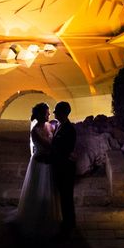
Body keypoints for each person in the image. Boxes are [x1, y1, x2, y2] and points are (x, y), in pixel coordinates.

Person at [7, 102, 62, 238]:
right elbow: (47, 146)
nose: (49, 114)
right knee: (38, 189)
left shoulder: (51, 126)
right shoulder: (35, 131)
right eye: (47, 112)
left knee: (49, 190)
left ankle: (49, 215)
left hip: (49, 162)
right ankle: (37, 218)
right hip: (40, 163)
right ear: (40, 114)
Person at [51, 101, 77, 238]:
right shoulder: (59, 126)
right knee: (64, 197)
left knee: (66, 197)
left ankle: (68, 225)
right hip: (62, 167)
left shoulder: (69, 129)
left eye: (57, 112)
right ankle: (68, 223)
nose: (55, 114)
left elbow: (66, 149)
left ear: (63, 113)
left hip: (65, 169)